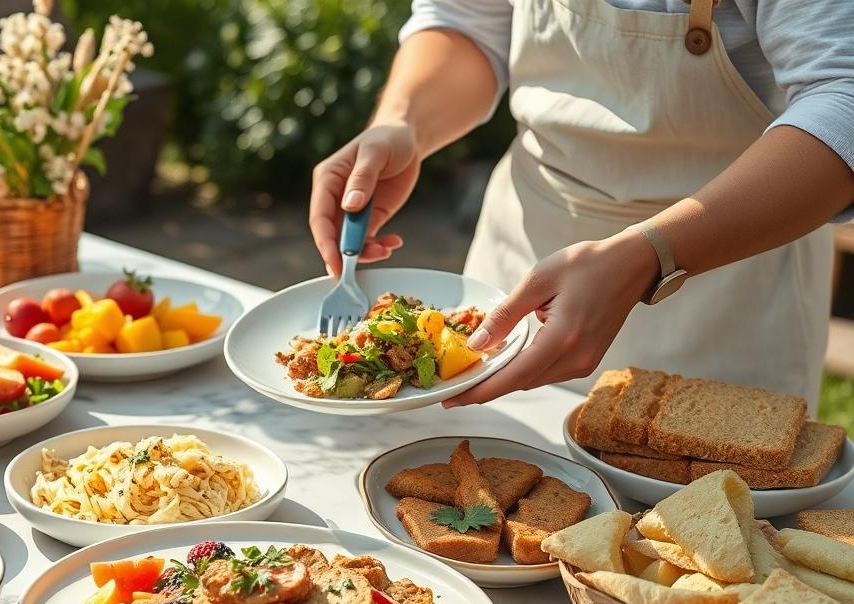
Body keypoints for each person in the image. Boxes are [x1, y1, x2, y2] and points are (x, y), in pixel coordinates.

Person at [309, 0, 854, 409]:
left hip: (731, 285)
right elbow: (465, 20)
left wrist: (650, 253)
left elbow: (844, 101)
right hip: (520, 264)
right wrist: (404, 120)